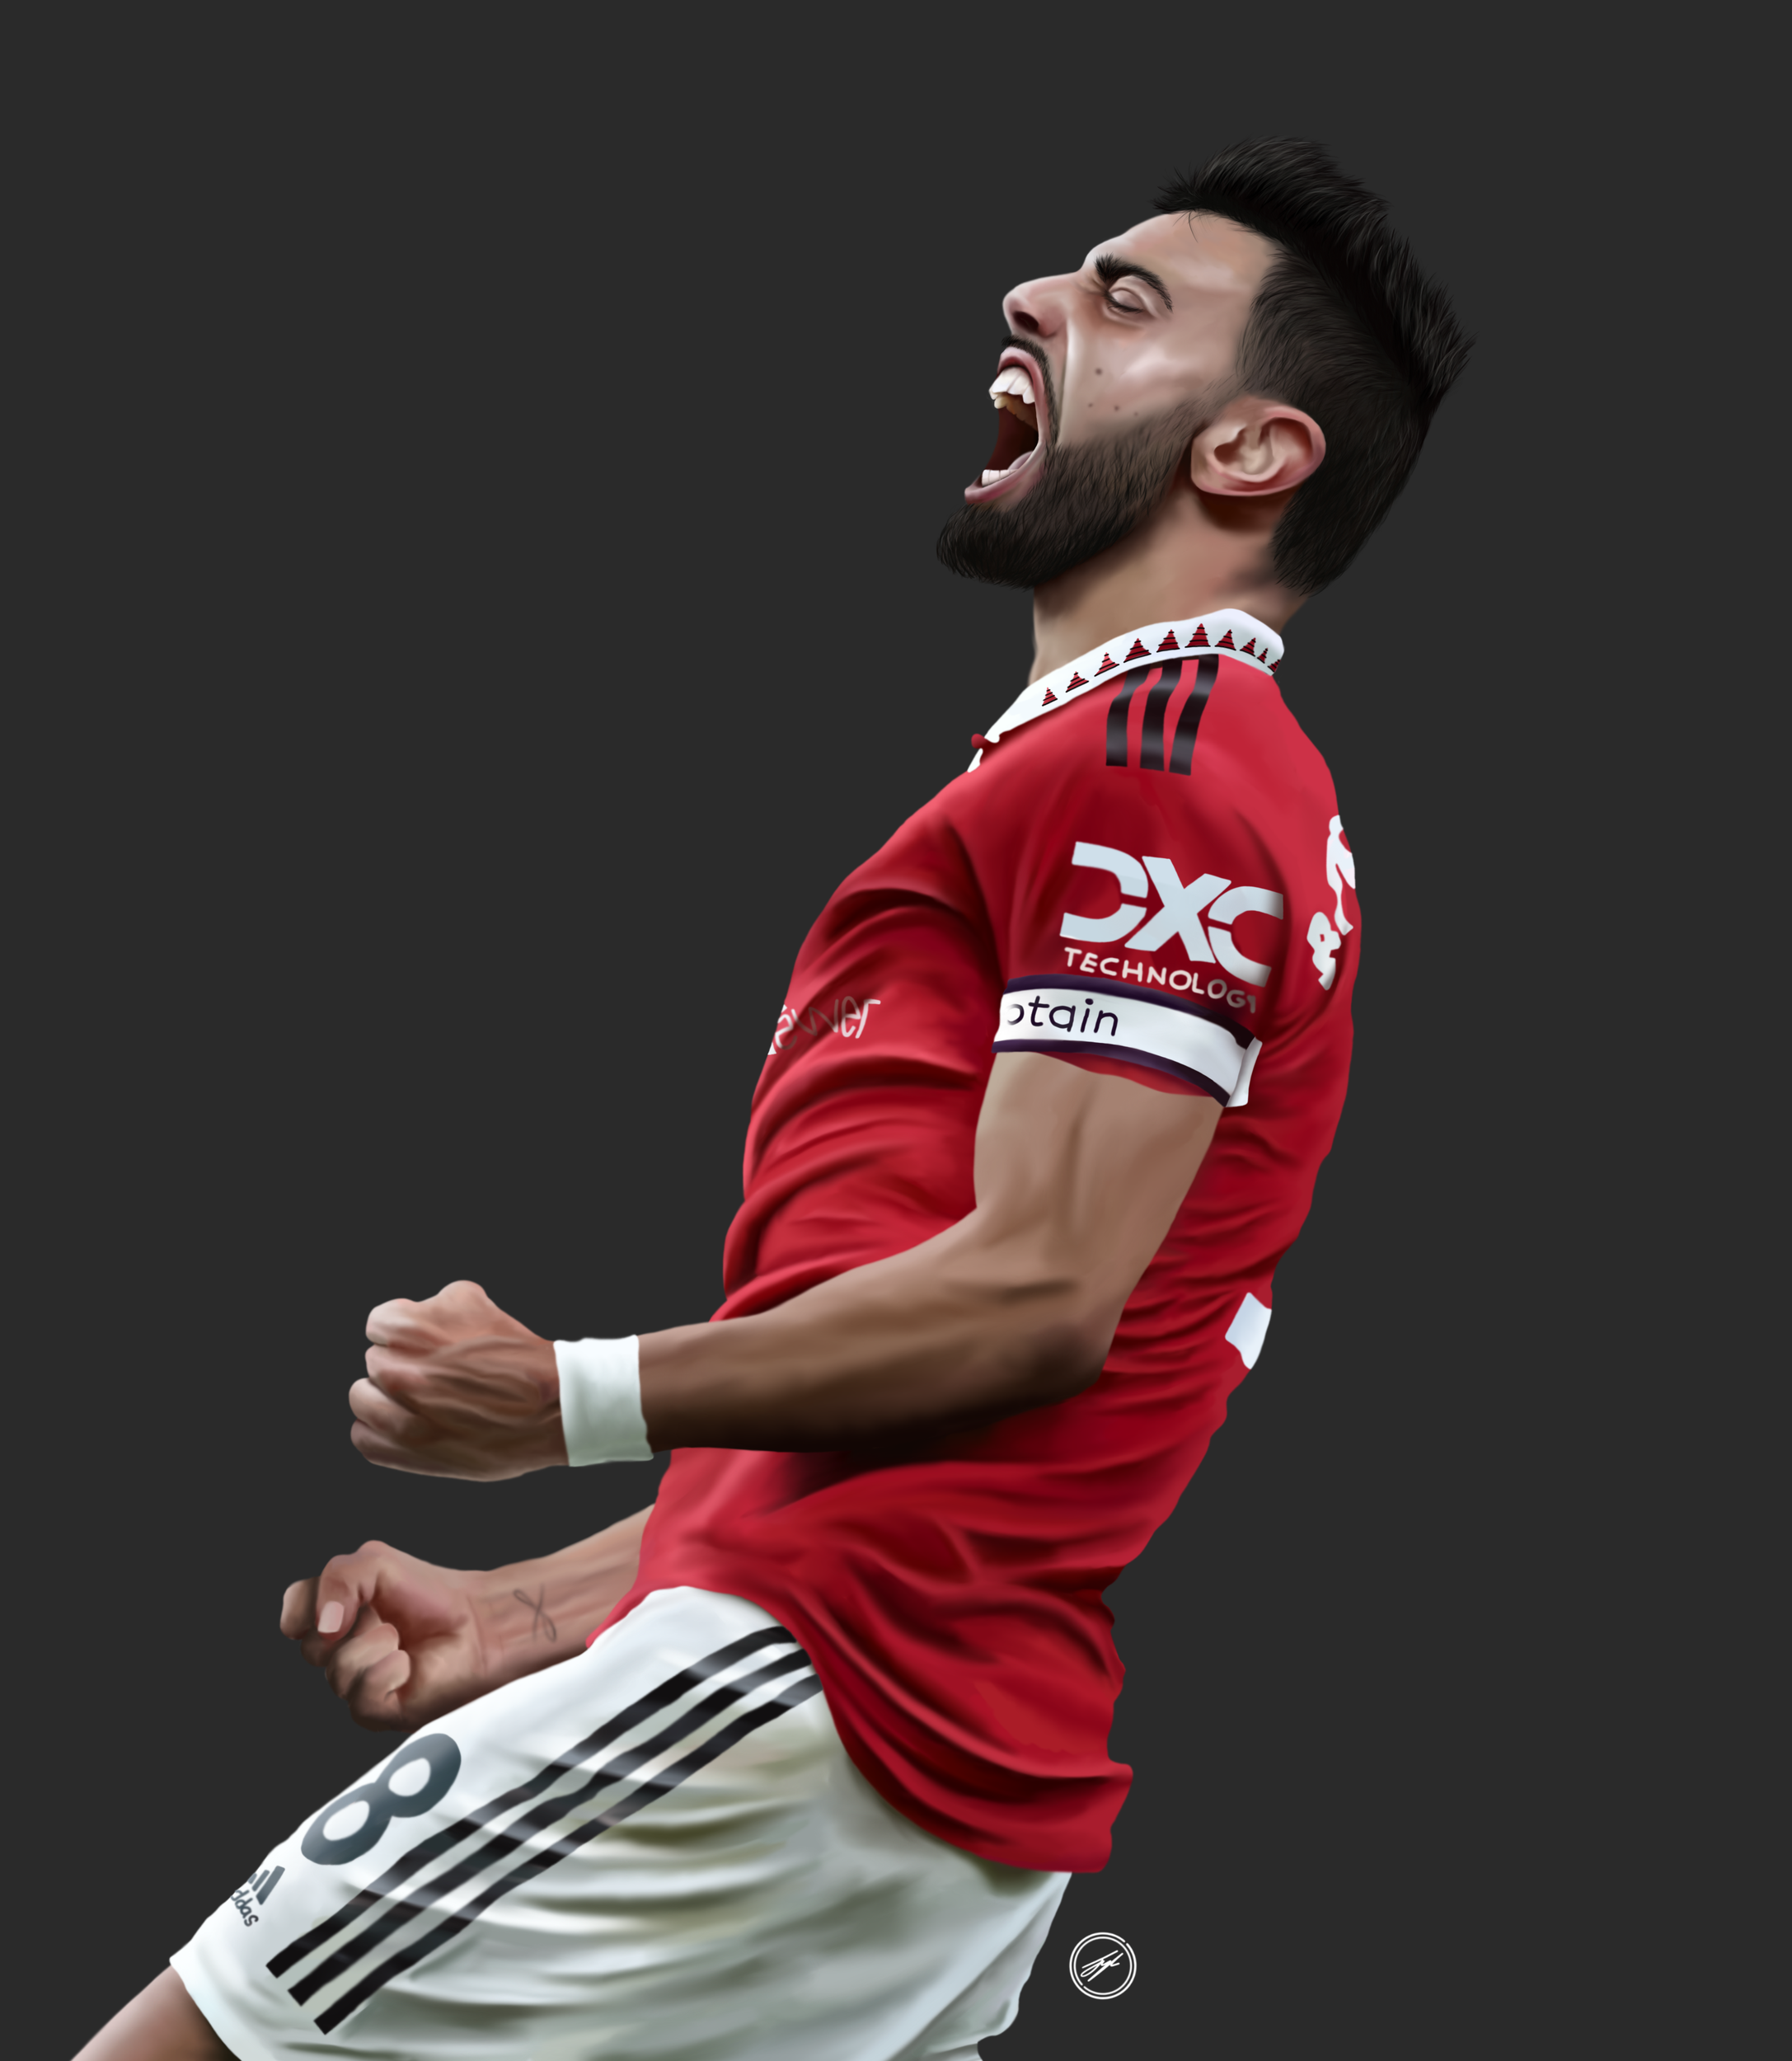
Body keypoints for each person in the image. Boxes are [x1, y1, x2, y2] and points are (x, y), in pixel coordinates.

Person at [77, 136, 1469, 2060]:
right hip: (889, 1733)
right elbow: (921, 1369)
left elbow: (1035, 1297)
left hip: (818, 1692)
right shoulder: (1139, 764)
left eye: (1126, 298)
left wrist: (558, 1397)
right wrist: (550, 1606)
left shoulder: (1156, 766)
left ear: (1248, 453)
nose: (1035, 300)